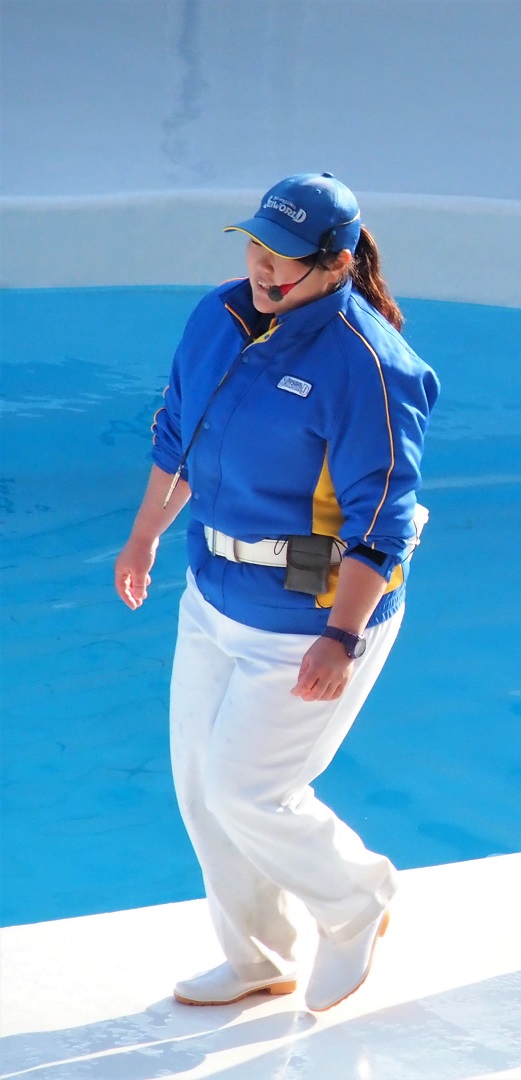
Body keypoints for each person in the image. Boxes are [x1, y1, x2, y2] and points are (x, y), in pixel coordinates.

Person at [114, 172, 440, 1012]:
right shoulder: (218, 317)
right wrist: (146, 534)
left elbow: (384, 519)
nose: (264, 267)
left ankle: (358, 900)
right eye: (257, 245)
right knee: (199, 786)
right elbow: (177, 434)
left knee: (247, 790)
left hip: (308, 617)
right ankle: (259, 955)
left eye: (285, 256)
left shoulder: (370, 365)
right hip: (212, 593)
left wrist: (342, 636)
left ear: (335, 265)